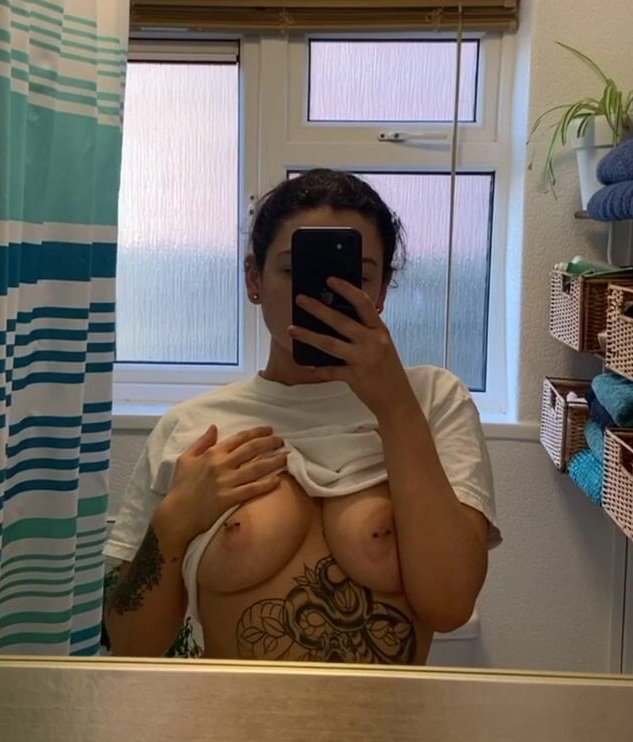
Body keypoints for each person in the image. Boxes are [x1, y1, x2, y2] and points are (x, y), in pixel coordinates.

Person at [104, 169, 500, 664]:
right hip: (231, 715)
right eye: (295, 271)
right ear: (254, 279)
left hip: (389, 717)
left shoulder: (432, 400)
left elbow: (450, 606)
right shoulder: (192, 427)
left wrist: (395, 406)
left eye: (357, 277)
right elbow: (130, 645)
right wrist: (174, 520)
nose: (319, 296)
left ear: (380, 292)